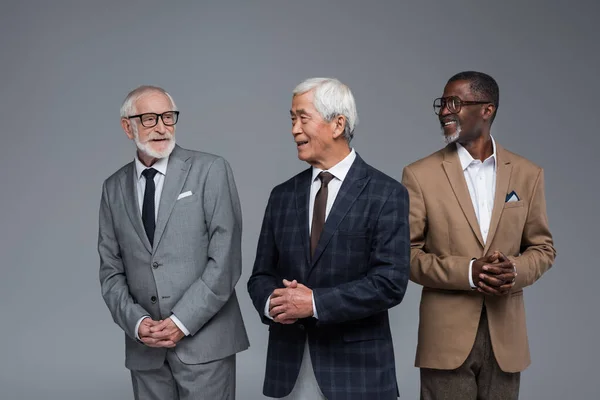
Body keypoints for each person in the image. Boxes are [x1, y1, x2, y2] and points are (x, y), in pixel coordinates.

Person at [247, 77, 410, 400]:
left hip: (358, 373)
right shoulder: (282, 195)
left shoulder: (386, 193)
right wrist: (273, 303)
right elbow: (261, 275)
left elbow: (390, 282)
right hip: (289, 368)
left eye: (302, 118)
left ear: (338, 124)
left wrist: (314, 303)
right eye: (292, 119)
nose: (294, 129)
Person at [401, 71, 556, 400]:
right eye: (441, 104)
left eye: (454, 103)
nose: (445, 111)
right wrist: (469, 272)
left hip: (506, 340)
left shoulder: (528, 174)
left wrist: (514, 270)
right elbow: (405, 256)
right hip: (444, 341)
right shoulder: (419, 175)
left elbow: (543, 249)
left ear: (487, 109)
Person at [98, 85, 249, 400]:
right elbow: (111, 271)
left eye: (168, 117)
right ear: (128, 127)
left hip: (205, 344)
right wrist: (137, 323)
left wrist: (182, 321)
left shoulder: (211, 169)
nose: (162, 127)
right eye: (150, 119)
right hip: (146, 352)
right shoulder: (113, 188)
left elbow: (226, 260)